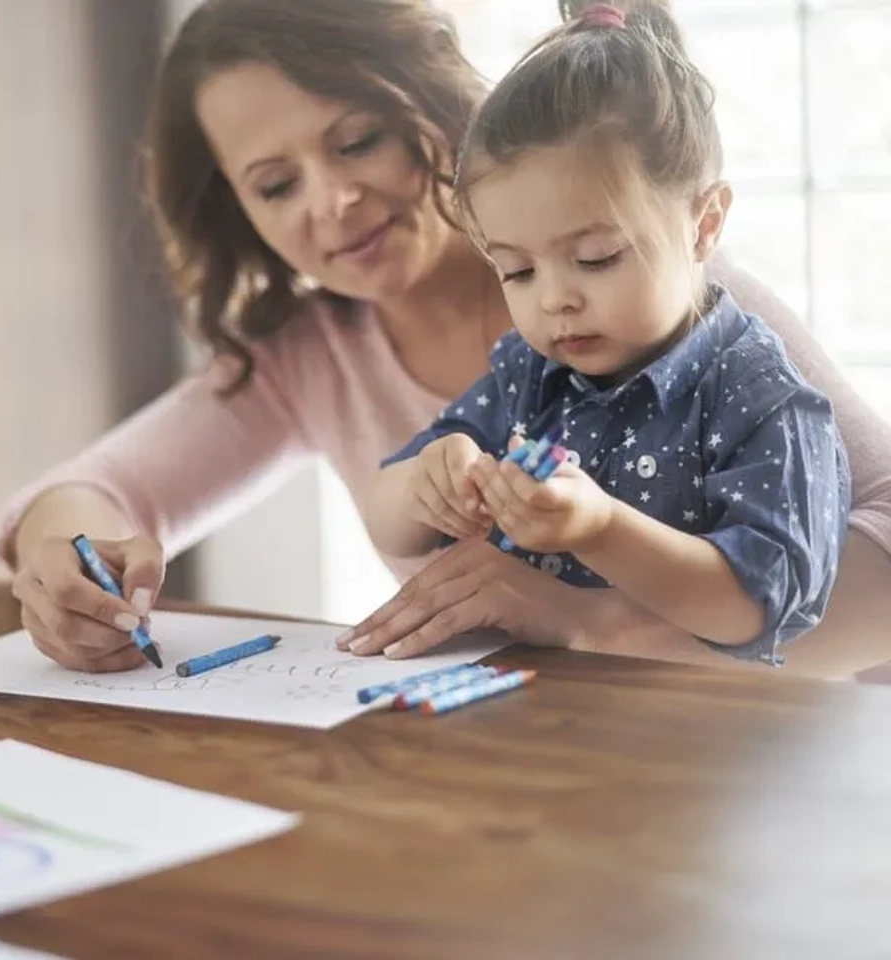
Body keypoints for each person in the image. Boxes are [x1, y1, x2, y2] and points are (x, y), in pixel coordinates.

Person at [0, 0, 891, 678]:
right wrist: (71, 572)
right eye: (275, 186)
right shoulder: (316, 355)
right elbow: (96, 490)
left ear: (433, 104)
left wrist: (596, 622)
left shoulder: (669, 304)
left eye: (358, 140)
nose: (331, 201)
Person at [364, 2, 849, 667]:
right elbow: (385, 510)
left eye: (596, 258)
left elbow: (758, 605)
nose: (556, 298)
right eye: (518, 269)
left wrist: (601, 528)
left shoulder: (762, 398)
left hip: (701, 739)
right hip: (535, 719)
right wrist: (428, 480)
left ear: (704, 224)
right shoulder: (528, 376)